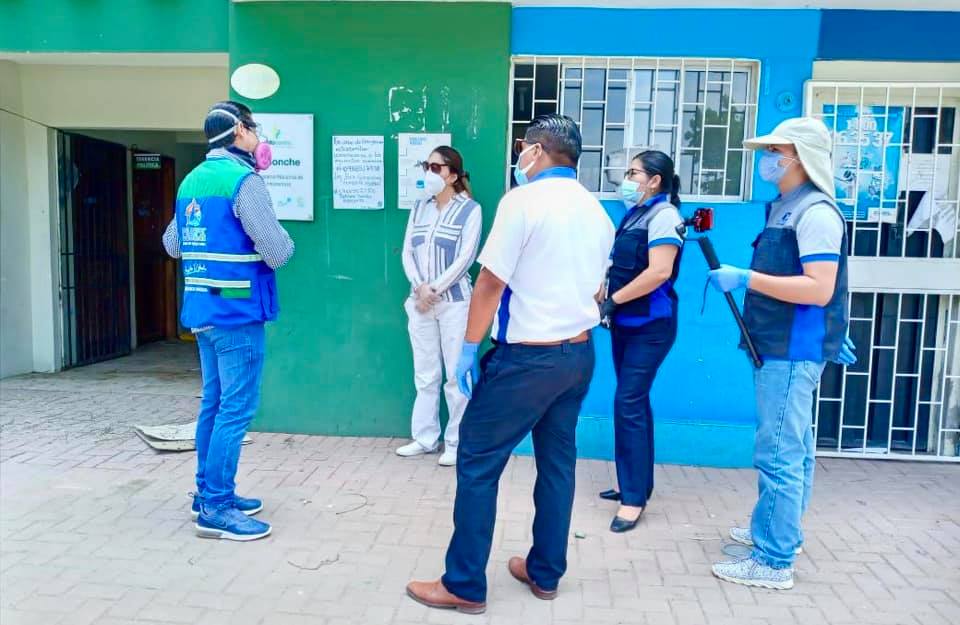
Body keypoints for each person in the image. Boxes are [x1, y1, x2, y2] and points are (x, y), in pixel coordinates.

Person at [405, 114, 615, 613]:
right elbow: (597, 289)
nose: (520, 154)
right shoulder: (596, 211)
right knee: (558, 464)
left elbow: (490, 282)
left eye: (524, 145)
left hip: (527, 359)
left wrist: (468, 347)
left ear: (538, 150)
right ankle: (545, 572)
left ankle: (463, 584)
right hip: (577, 354)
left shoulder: (522, 201)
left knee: (477, 461)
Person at [706, 117, 856, 589]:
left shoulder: (816, 213)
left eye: (776, 150)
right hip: (777, 343)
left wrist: (745, 278)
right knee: (794, 448)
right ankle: (778, 531)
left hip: (792, 349)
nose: (767, 158)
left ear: (800, 157)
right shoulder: (786, 208)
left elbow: (819, 288)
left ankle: (773, 560)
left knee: (778, 452)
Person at [162, 100, 295, 541]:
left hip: (203, 311)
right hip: (237, 313)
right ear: (240, 131)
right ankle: (217, 508)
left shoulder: (192, 181)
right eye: (253, 127)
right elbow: (277, 252)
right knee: (235, 409)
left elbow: (172, 244)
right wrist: (282, 235)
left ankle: (208, 492)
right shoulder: (245, 181)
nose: (258, 136)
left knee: (214, 403)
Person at [597, 150, 684, 533]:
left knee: (627, 402)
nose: (627, 179)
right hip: (626, 323)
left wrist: (613, 300)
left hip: (651, 326)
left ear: (655, 180)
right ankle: (635, 483)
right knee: (635, 402)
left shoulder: (665, 215)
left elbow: (659, 272)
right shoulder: (636, 214)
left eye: (633, 173)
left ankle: (633, 500)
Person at [396, 147, 482, 467]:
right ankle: (424, 437)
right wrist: (420, 288)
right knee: (425, 373)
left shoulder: (470, 210)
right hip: (419, 302)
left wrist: (434, 289)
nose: (428, 172)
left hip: (454, 303)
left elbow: (466, 257)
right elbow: (407, 252)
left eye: (436, 167)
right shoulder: (420, 208)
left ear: (452, 175)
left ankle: (456, 442)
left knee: (455, 375)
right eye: (426, 166)